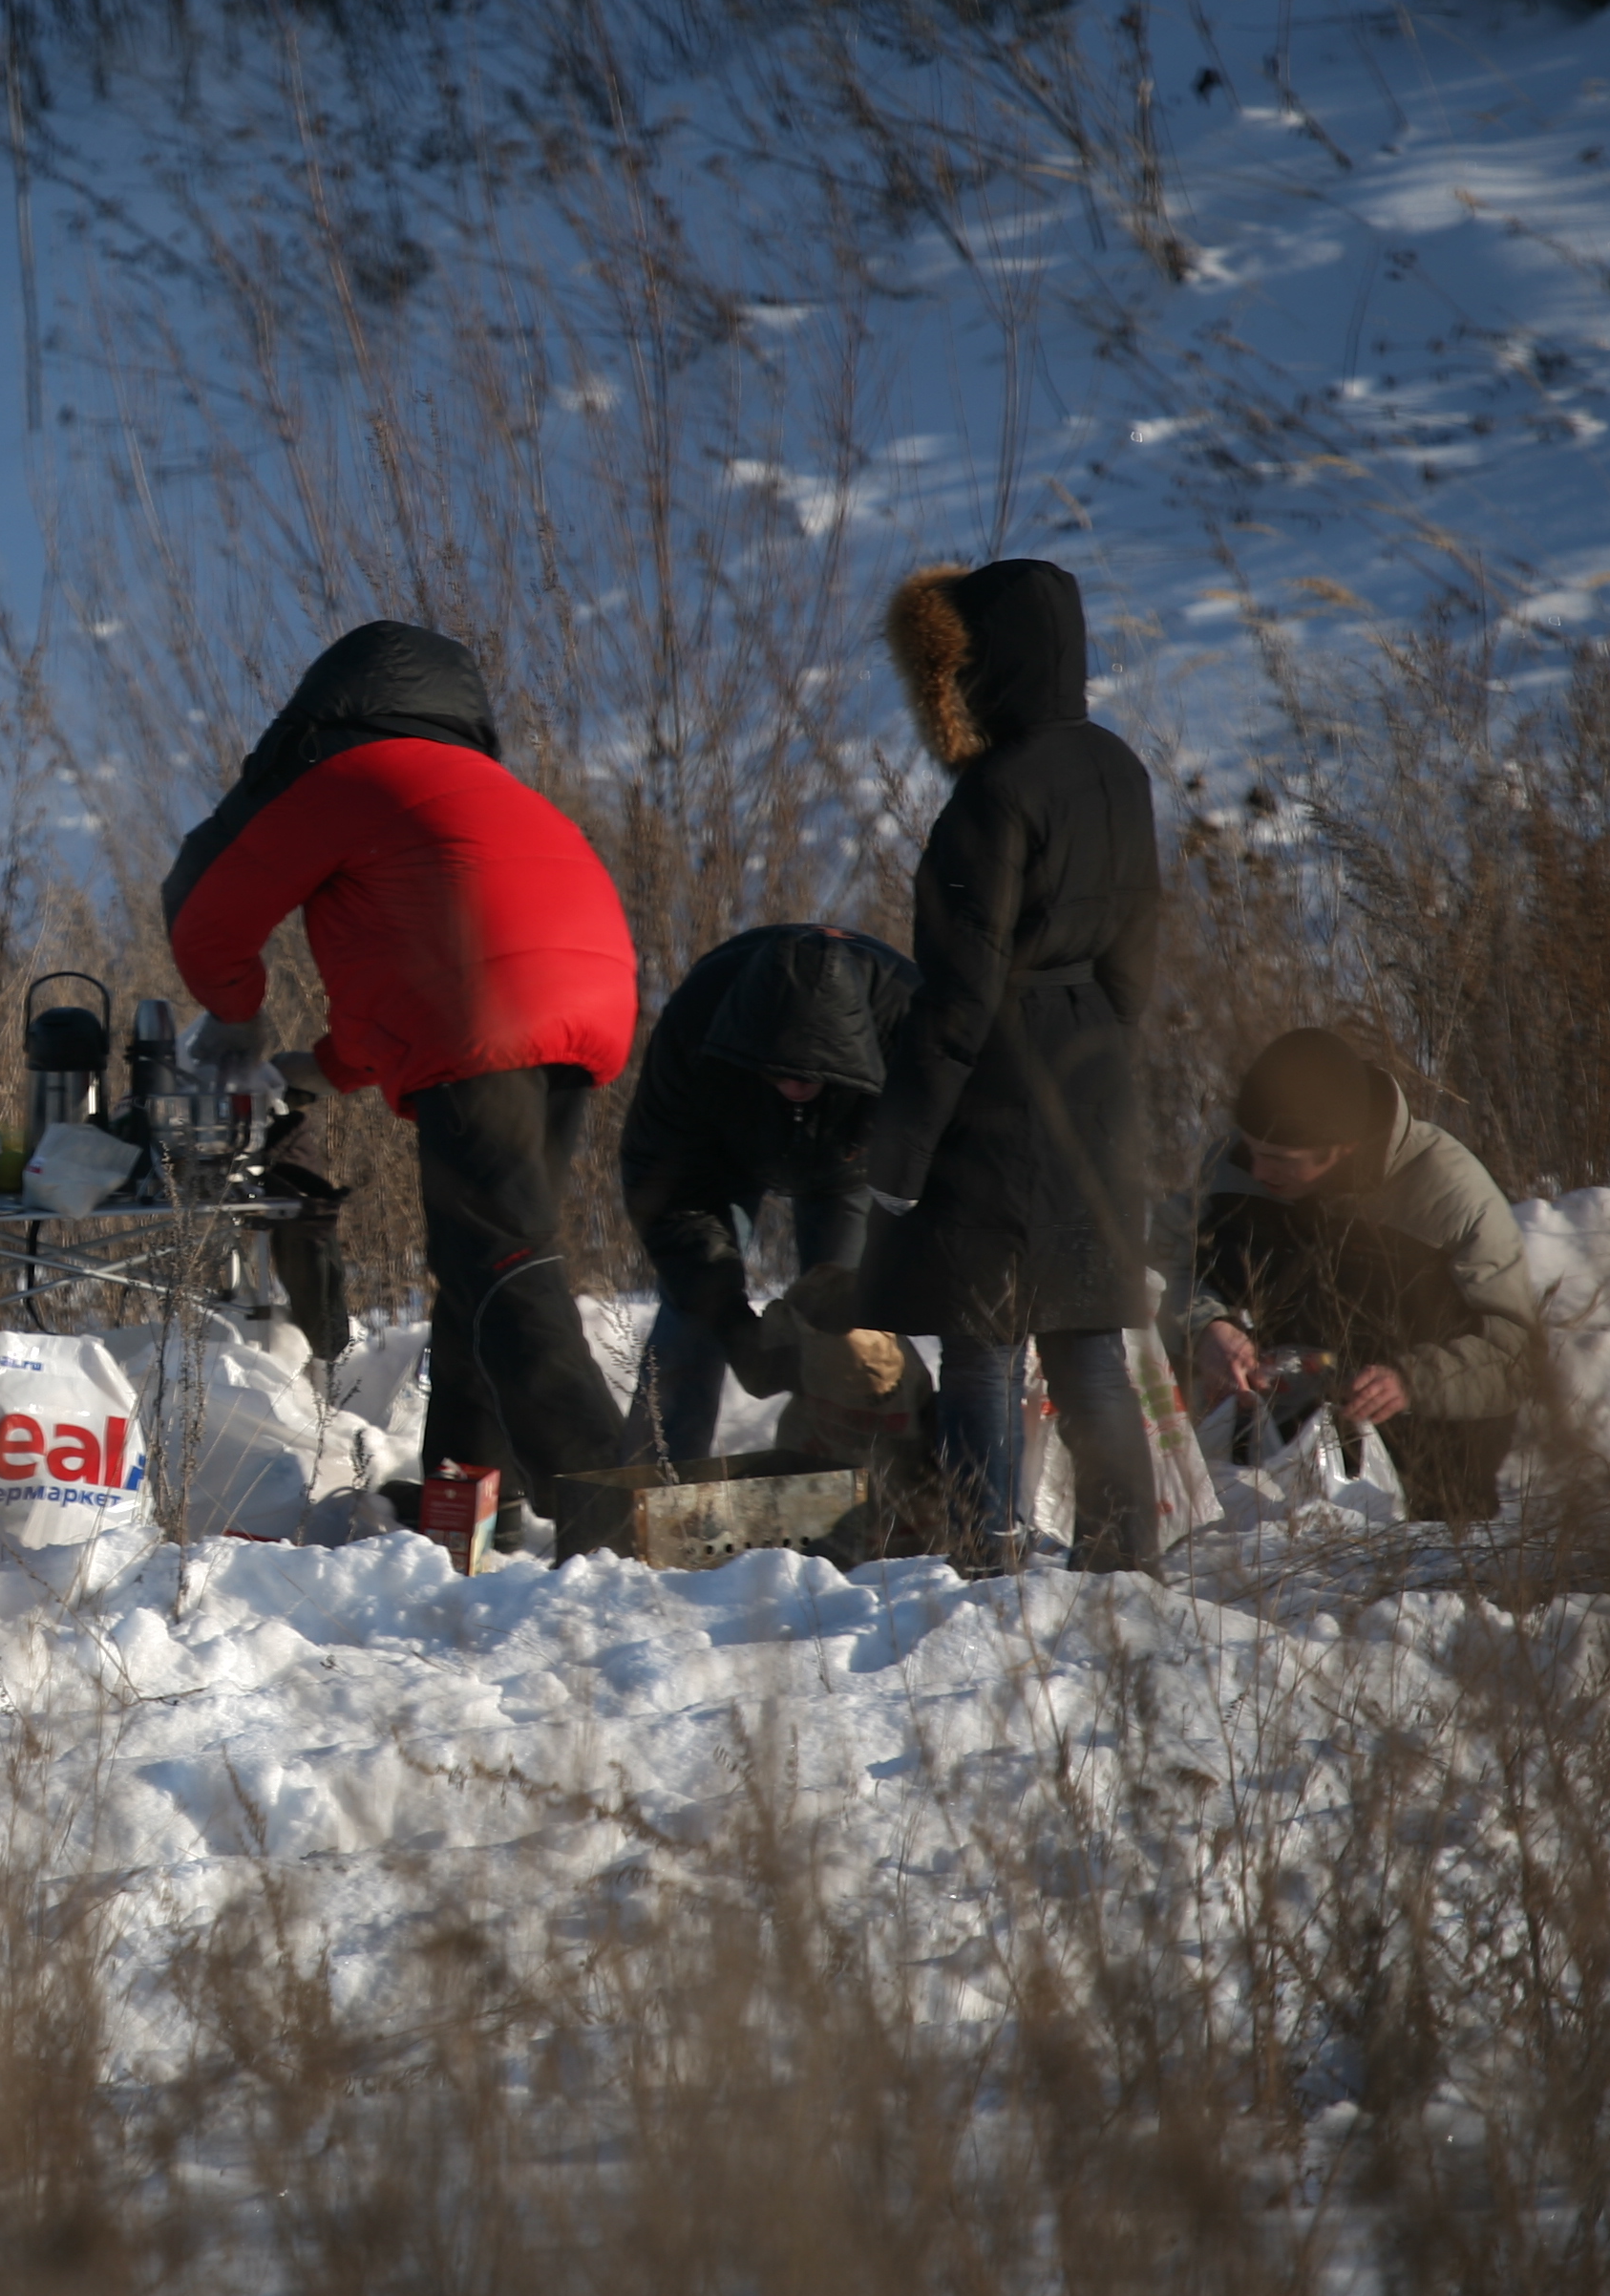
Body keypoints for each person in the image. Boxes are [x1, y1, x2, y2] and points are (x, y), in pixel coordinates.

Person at [161, 622, 640, 1549]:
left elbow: (207, 911)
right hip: (588, 1003)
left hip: (489, 1013)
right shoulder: (480, 785)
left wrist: (238, 1015)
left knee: (503, 1262)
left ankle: (613, 1504)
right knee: (480, 1269)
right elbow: (426, 944)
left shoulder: (345, 774)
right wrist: (329, 1066)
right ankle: (469, 1505)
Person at [859, 558, 1165, 1575]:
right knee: (1087, 1337)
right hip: (1095, 1066)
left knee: (982, 1337)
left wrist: (900, 1151)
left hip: (1000, 1080)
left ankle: (983, 1551)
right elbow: (1136, 954)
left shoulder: (994, 792)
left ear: (982, 661)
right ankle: (1124, 1557)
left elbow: (959, 991)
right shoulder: (1120, 767)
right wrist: (1096, 1049)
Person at [1176, 1026, 1540, 1523]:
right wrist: (1206, 1326)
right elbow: (1158, 1267)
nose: (1256, 1170)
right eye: (1251, 1149)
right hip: (1270, 1438)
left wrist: (1412, 1382)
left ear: (1341, 1149)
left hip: (1423, 1454)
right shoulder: (1234, 1164)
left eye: (1279, 1160)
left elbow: (1516, 1354)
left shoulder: (1453, 1197)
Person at [617, 923, 918, 1460]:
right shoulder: (698, 1027)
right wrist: (730, 1321)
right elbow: (666, 1190)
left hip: (851, 1163)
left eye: (815, 1076)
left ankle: (846, 1481)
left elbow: (958, 1163)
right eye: (781, 1072)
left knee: (845, 1326)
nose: (796, 1086)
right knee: (692, 1313)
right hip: (724, 1153)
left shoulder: (911, 1023)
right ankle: (655, 1482)